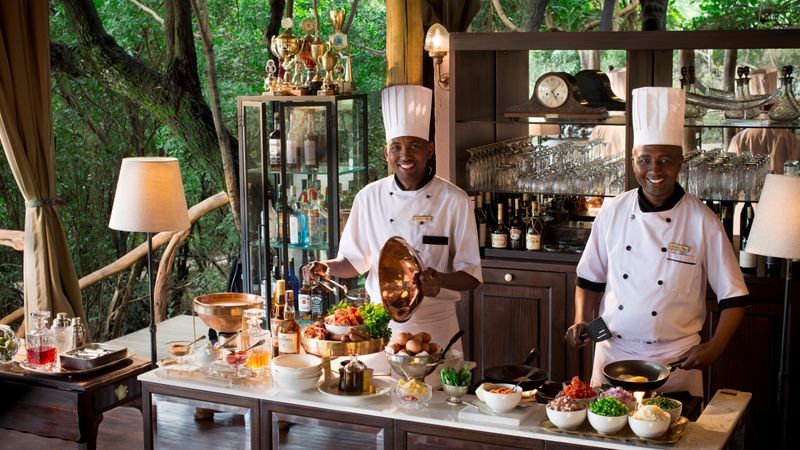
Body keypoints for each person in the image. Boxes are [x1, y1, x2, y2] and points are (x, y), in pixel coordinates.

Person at [566, 87, 749, 397]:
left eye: (665, 160)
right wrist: (581, 319)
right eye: (645, 159)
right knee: (606, 427)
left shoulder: (702, 220)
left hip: (676, 362)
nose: (655, 170)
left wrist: (715, 347)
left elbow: (733, 297)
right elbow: (589, 279)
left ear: (680, 162)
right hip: (613, 354)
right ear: (632, 161)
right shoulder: (613, 211)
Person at [302, 85, 482, 375]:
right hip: (381, 332)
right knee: (379, 395)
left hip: (435, 330)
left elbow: (471, 275)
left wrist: (441, 281)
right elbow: (353, 261)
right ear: (386, 152)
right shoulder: (368, 197)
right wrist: (326, 266)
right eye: (396, 147)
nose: (405, 155)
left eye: (414, 146)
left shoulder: (455, 200)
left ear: (430, 150)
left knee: (435, 398)